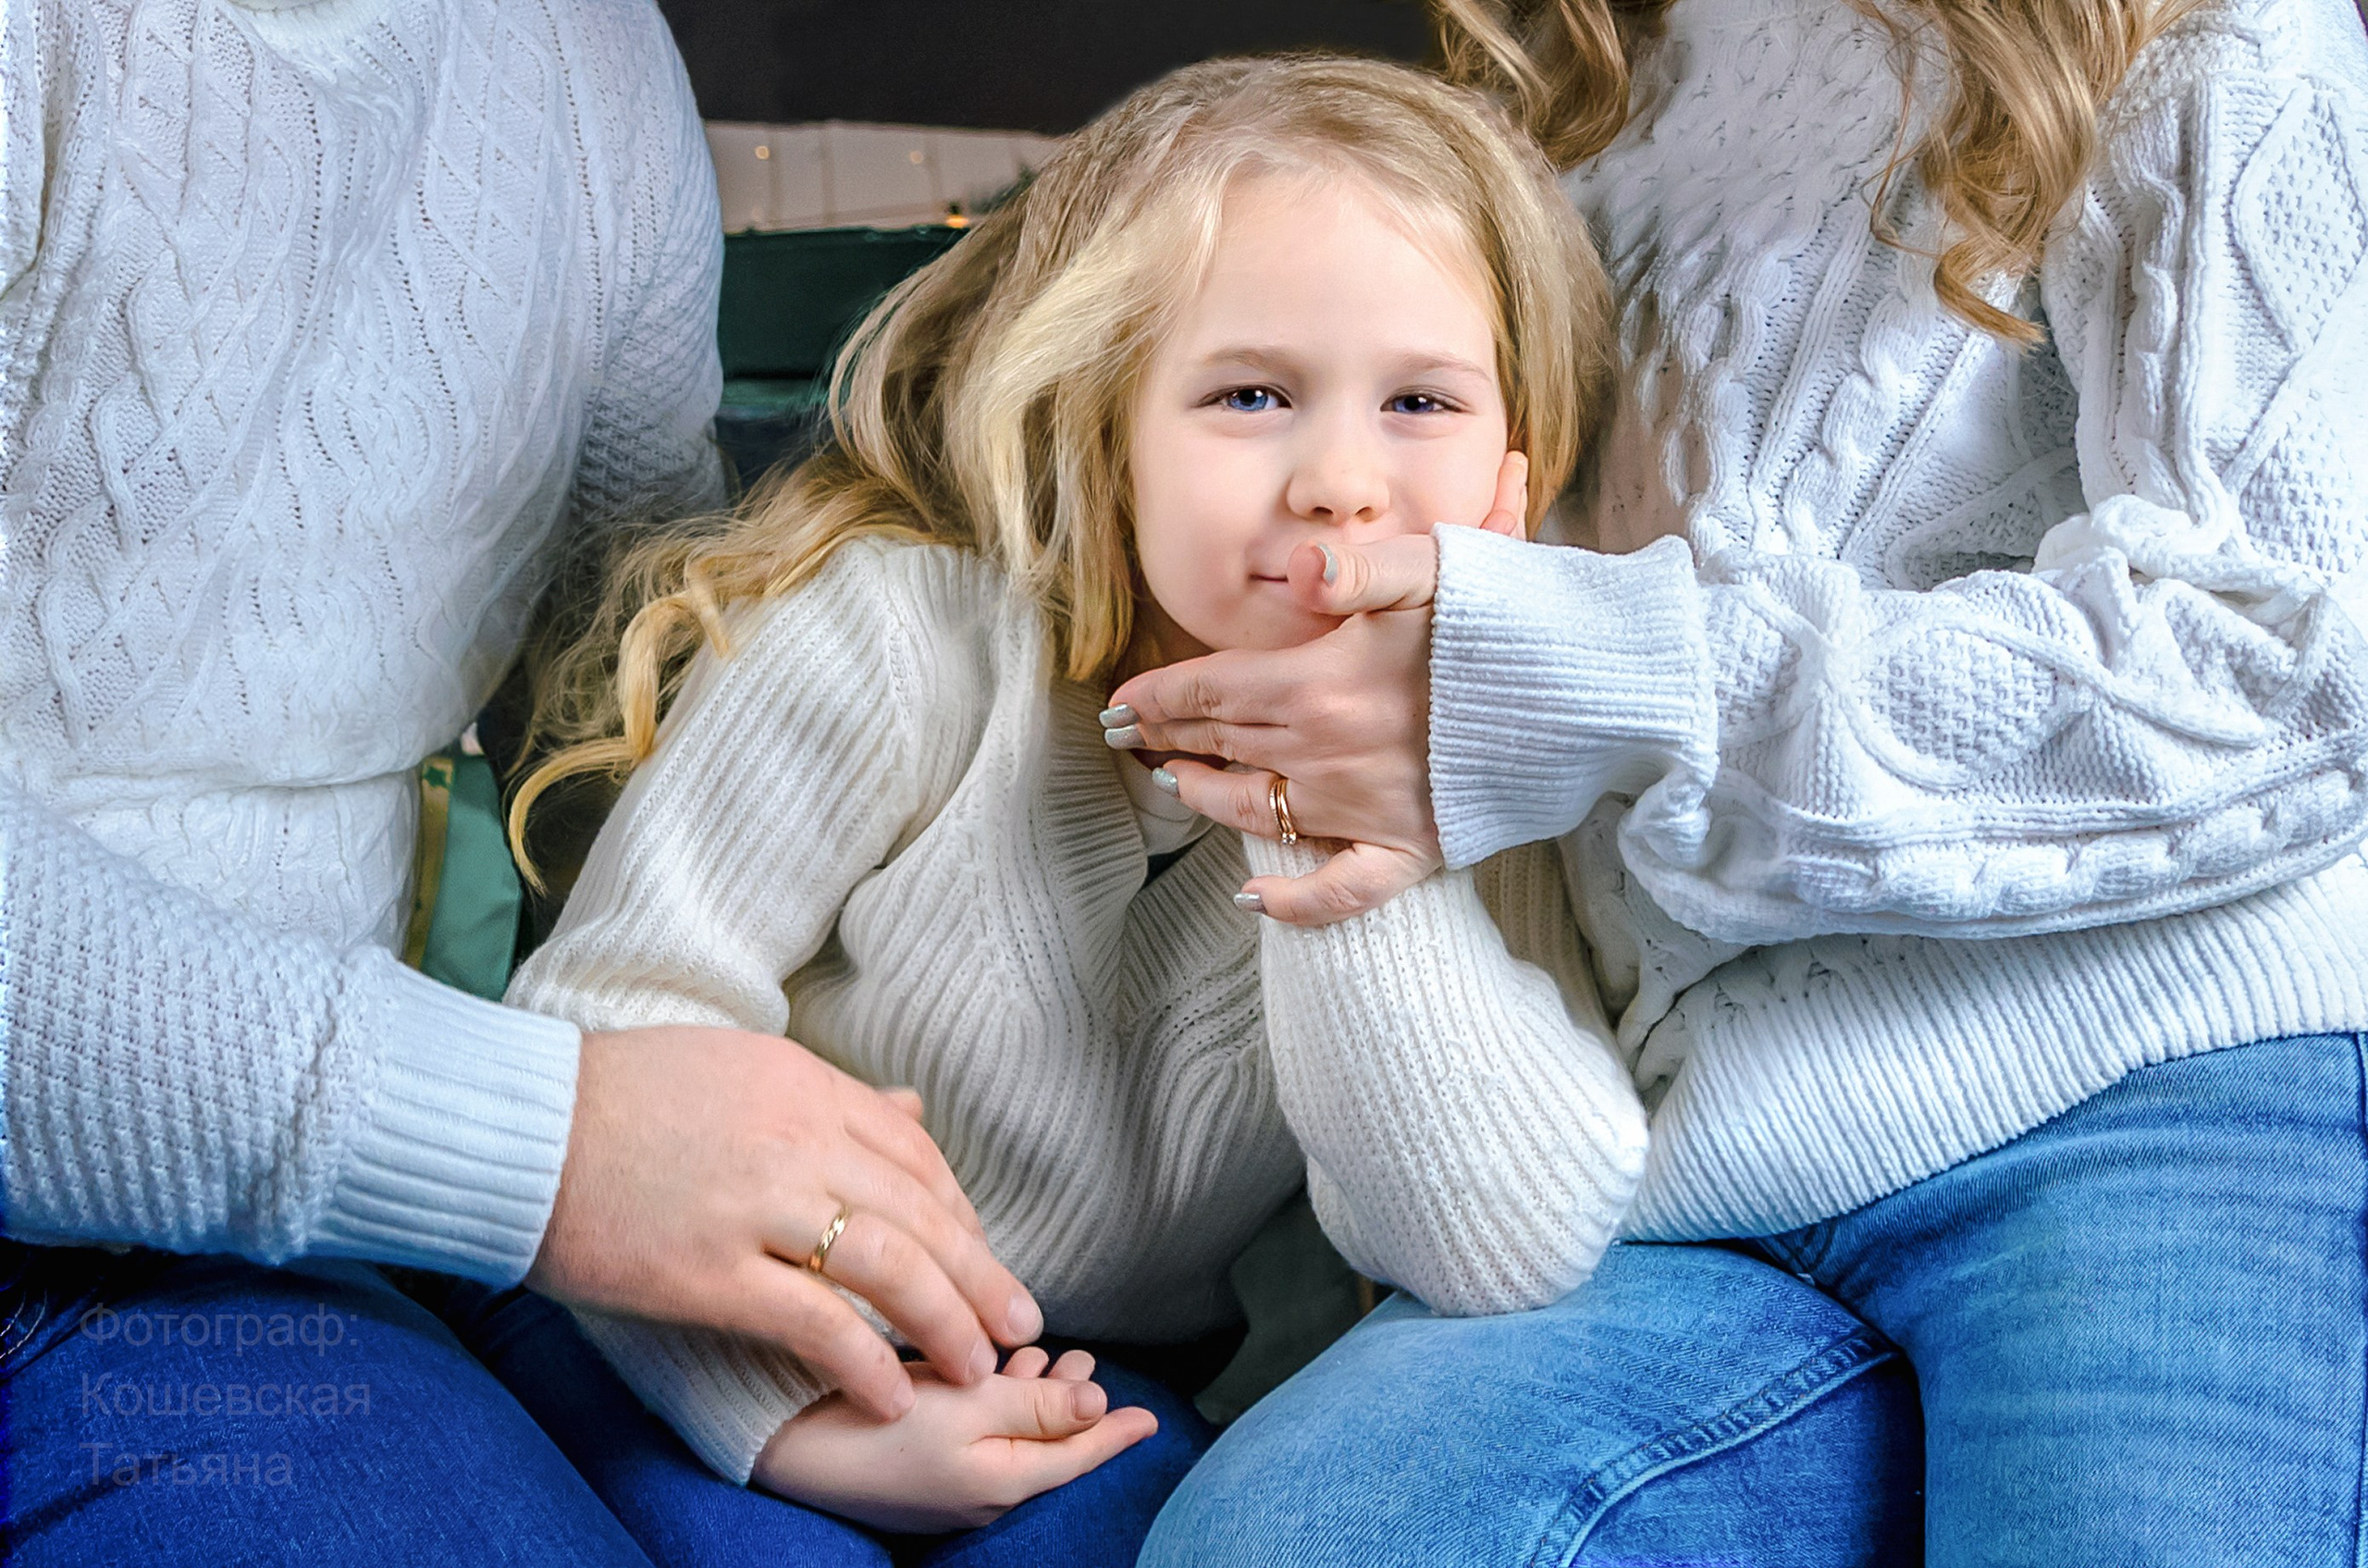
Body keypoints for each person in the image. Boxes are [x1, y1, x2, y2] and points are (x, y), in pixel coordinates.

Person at [1117, 0, 2368, 1562]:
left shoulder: (2212, 39)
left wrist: (1599, 680)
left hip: (2155, 1089)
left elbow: (2286, 662)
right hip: (1699, 1154)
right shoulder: (1567, 72)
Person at [495, 53, 1650, 1564]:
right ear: (1107, 427)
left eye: (1420, 402)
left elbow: (1497, 1246)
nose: (1343, 485)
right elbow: (608, 1036)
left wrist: (1338, 820)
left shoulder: (1472, 783)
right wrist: (796, 1418)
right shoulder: (900, 645)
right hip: (684, 1335)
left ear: (1513, 477)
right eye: (1251, 395)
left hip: (1083, 1390)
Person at [0, 1, 1035, 1561]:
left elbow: (619, 704)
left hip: (359, 1194)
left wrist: (804, 1207)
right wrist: (553, 1149)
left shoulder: (582, 61)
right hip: (117, 1235)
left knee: (1013, 1515)